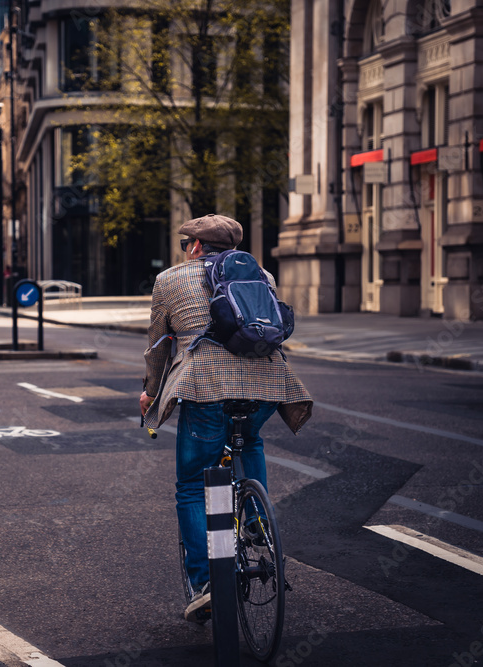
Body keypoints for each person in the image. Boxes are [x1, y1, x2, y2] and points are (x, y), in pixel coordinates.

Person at [139, 214, 312, 622]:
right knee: (249, 440)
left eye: (187, 244)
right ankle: (256, 524)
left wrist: (150, 391)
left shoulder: (169, 280)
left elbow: (159, 346)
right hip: (269, 383)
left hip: (205, 386)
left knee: (190, 483)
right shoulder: (261, 275)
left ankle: (205, 584)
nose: (185, 250)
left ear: (197, 246)